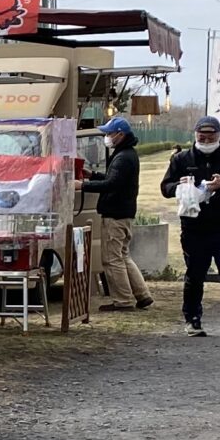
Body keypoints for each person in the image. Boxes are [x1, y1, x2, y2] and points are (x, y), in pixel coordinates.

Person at [159, 112, 220, 339]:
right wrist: (179, 186)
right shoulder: (181, 160)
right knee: (195, 275)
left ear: (219, 135)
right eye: (202, 137)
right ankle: (192, 319)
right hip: (193, 228)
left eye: (211, 137)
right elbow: (165, 187)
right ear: (195, 136)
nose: (207, 141)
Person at [79, 115, 154, 310]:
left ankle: (122, 300)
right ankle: (142, 294)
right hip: (125, 213)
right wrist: (93, 175)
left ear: (120, 134)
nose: (107, 137)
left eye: (109, 133)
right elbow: (115, 179)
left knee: (112, 259)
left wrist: (83, 185)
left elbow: (112, 184)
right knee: (123, 256)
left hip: (115, 214)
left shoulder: (122, 157)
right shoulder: (127, 154)